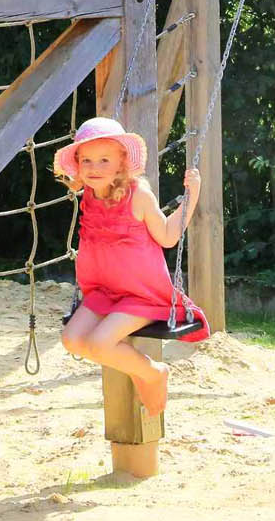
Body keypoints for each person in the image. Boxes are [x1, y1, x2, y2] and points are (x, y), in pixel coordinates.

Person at [55, 117, 206, 414]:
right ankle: (140, 371)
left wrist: (192, 197)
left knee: (99, 344)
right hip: (103, 292)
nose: (94, 168)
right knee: (72, 340)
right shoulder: (89, 196)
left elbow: (167, 236)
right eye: (86, 160)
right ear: (77, 164)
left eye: (103, 160)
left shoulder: (139, 195)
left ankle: (153, 372)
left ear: (122, 162)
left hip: (140, 295)